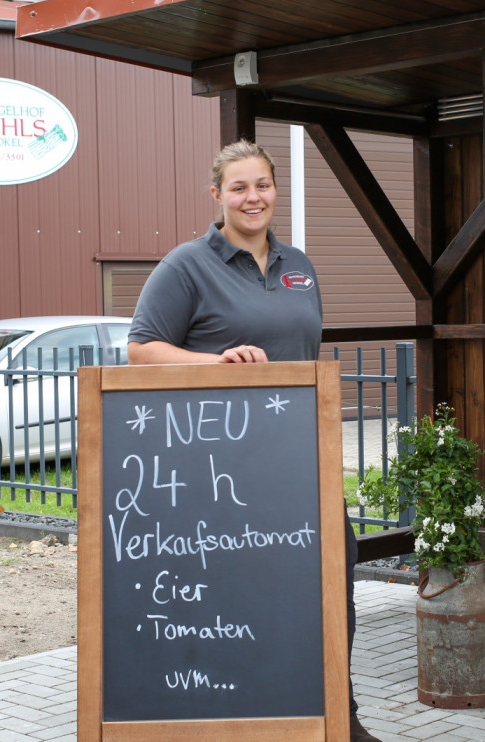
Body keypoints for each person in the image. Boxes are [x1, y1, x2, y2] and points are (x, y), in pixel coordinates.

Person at [128, 139, 380, 742]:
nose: (252, 198)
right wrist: (216, 363)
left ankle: (337, 718)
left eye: (262, 185)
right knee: (244, 596)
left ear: (275, 190)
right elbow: (140, 348)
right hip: (224, 473)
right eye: (238, 187)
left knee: (330, 589)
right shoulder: (186, 265)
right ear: (216, 195)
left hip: (302, 459)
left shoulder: (300, 266)